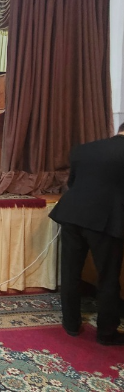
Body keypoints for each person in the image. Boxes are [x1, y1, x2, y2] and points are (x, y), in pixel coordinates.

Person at [49, 122, 124, 345]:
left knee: (70, 272)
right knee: (108, 277)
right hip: (106, 220)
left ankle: (71, 324)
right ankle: (106, 333)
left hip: (72, 214)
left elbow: (73, 183)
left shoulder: (84, 149)